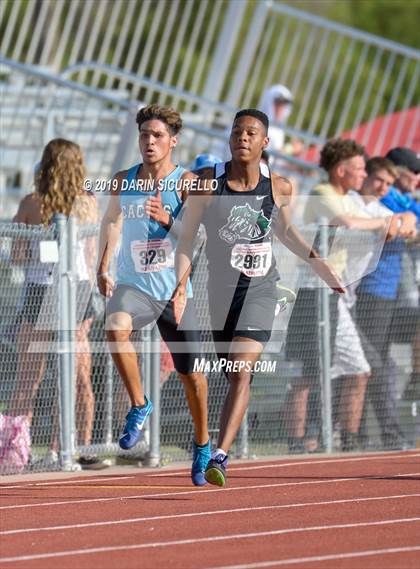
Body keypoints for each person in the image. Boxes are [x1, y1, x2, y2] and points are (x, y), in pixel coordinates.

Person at [173, 109, 343, 486]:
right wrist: (180, 285)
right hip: (218, 291)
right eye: (237, 132)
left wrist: (320, 264)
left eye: (251, 133)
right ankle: (206, 446)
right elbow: (187, 241)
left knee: (241, 368)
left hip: (261, 288)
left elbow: (285, 233)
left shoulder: (279, 186)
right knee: (229, 371)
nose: (242, 138)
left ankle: (220, 455)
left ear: (265, 142)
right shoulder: (207, 183)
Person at [96, 105, 210, 485]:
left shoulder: (187, 182)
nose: (149, 141)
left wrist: (167, 221)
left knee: (191, 375)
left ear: (173, 141)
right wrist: (103, 263)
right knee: (114, 327)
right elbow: (112, 220)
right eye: (144, 134)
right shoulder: (123, 180)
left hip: (174, 291)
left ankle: (202, 442)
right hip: (134, 286)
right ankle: (140, 405)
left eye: (157, 135)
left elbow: (197, 239)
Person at [285, 139, 396, 453]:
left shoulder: (350, 198)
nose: (363, 175)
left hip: (338, 296)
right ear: (340, 169)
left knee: (357, 369)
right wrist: (382, 224)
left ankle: (346, 438)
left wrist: (386, 223)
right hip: (313, 291)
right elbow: (347, 222)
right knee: (307, 372)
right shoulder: (323, 194)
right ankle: (296, 440)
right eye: (359, 168)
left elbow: (384, 222)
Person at [10, 139, 105, 469]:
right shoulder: (87, 204)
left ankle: (18, 450)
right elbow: (91, 259)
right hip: (75, 292)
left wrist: (36, 246)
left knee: (28, 378)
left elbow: (18, 256)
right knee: (78, 378)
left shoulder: (31, 203)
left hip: (42, 290)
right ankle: (76, 447)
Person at [354, 157, 417, 448]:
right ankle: (380, 435)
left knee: (377, 363)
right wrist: (404, 221)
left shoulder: (396, 198)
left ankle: (366, 435)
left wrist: (409, 220)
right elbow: (395, 227)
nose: (417, 178)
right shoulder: (381, 197)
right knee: (374, 364)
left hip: (388, 293)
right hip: (370, 290)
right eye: (414, 172)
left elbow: (413, 219)